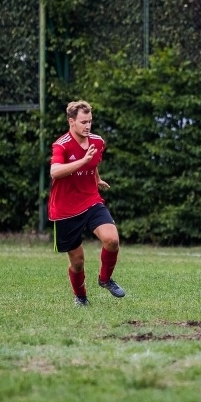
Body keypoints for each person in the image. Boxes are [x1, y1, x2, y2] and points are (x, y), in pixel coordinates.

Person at [48, 100, 126, 306]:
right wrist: (82, 162)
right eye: (83, 122)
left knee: (112, 240)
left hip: (90, 200)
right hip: (65, 210)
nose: (88, 126)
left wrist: (96, 178)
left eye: (90, 121)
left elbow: (94, 162)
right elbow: (54, 171)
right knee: (77, 262)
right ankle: (81, 298)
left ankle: (105, 279)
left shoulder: (97, 142)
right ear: (71, 121)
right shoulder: (61, 145)